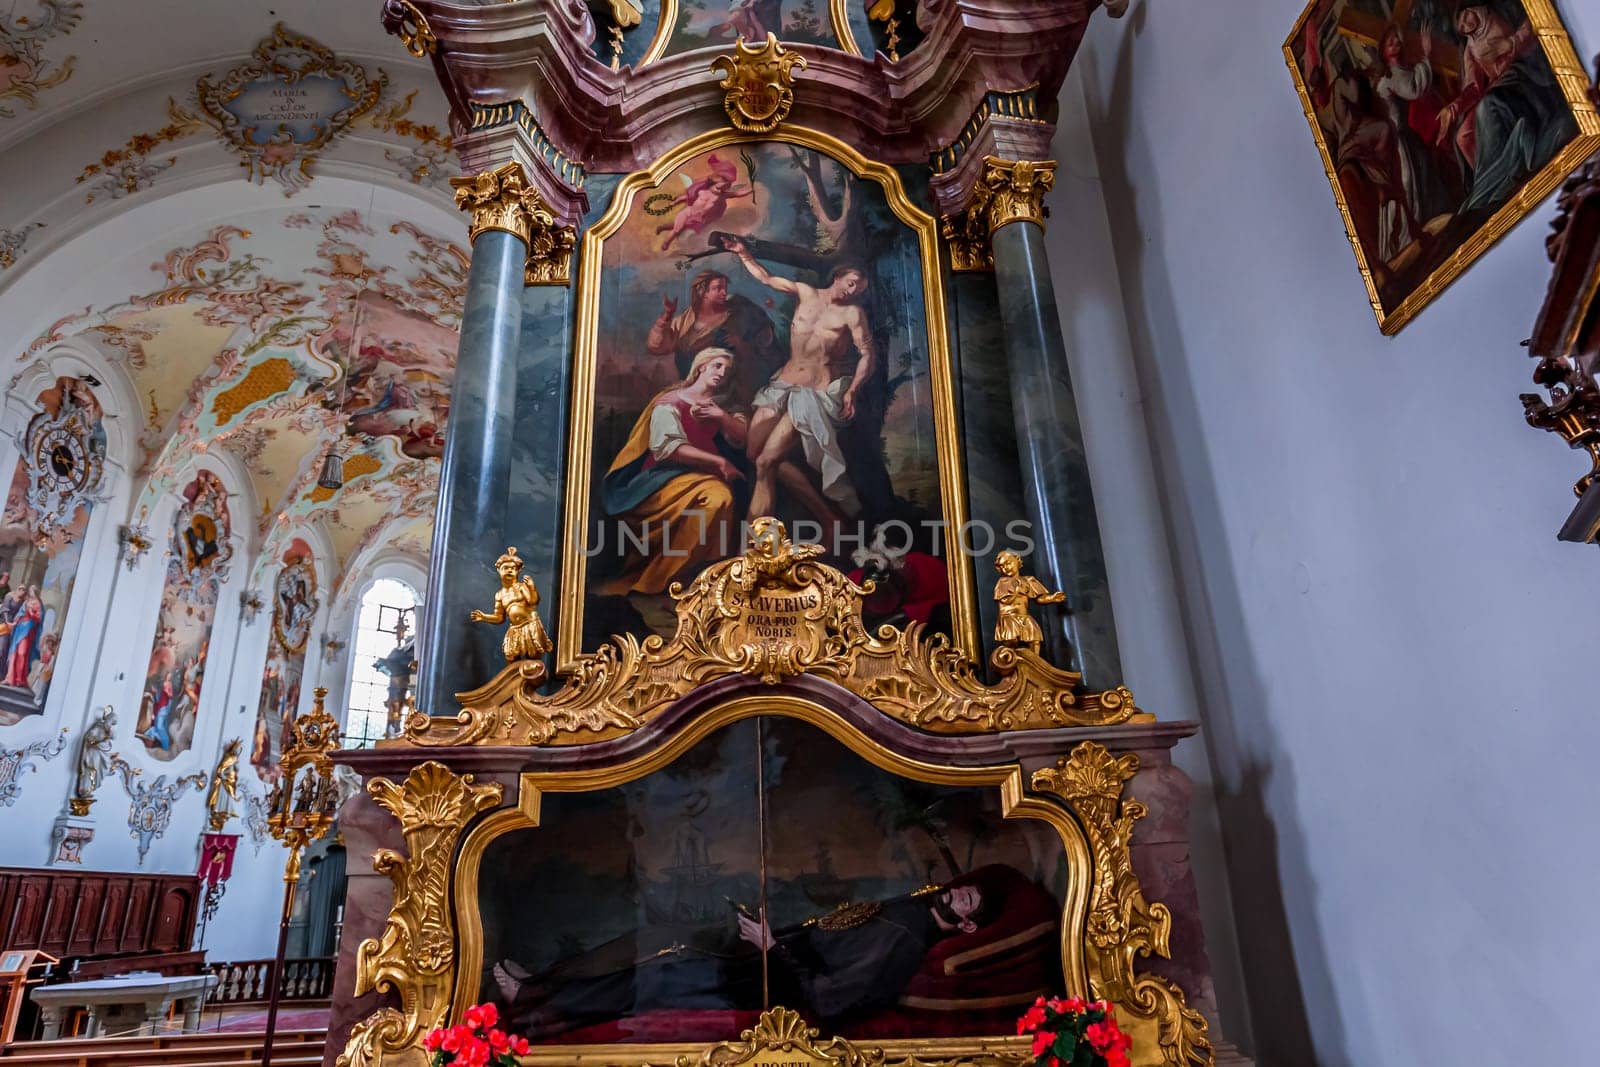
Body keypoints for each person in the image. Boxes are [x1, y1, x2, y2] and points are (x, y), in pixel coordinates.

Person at [493, 869, 1007, 1038]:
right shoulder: (911, 908)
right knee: (651, 940)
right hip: (761, 954)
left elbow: (829, 1002)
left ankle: (532, 1015)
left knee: (652, 976)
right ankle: (540, 984)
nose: (960, 894)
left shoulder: (905, 942)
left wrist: (772, 946)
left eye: (969, 902)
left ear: (965, 923)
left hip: (763, 981)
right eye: (964, 889)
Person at [723, 237, 876, 523]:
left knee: (767, 462)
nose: (853, 290)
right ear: (839, 276)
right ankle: (829, 520)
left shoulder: (852, 314)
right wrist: (743, 254)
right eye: (851, 282)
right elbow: (767, 279)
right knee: (754, 454)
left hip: (812, 394)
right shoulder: (805, 293)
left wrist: (852, 391)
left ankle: (755, 546)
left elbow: (867, 355)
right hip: (781, 385)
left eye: (859, 288)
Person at [598, 348, 748, 602]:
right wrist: (719, 461)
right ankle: (657, 581)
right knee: (717, 498)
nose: (722, 373)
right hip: (663, 477)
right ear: (701, 367)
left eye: (727, 370)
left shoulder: (723, 406)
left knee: (726, 496)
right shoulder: (671, 401)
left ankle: (694, 575)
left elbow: (745, 437)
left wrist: (721, 417)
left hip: (703, 477)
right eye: (717, 366)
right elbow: (668, 449)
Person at [1435, 2, 1576, 214]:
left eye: (1464, 17)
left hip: (1522, 68)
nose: (1465, 25)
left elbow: (1532, 23)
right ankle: (1493, 182)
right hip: (1498, 84)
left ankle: (1510, 166)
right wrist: (1452, 109)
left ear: (1471, 7)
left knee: (1487, 107)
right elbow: (1473, 87)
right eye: (1460, 27)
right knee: (1463, 136)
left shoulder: (1499, 11)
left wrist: (1510, 44)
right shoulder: (1470, 47)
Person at [646, 269, 781, 409]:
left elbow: (763, 340)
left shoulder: (737, 313)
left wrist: (741, 344)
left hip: (728, 392)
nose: (724, 292)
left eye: (725, 288)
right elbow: (657, 347)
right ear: (702, 292)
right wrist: (667, 316)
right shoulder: (686, 320)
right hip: (690, 388)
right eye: (718, 288)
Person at [470, 547, 554, 663]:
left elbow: (533, 601)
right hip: (514, 629)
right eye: (505, 568)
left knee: (533, 656)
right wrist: (484, 617)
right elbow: (499, 617)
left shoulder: (521, 587)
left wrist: (531, 587)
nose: (509, 571)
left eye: (513, 568)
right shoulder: (499, 595)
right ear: (499, 570)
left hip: (529, 625)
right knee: (510, 657)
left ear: (518, 571)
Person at [992, 550, 1065, 656]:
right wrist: (1016, 591)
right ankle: (1010, 660)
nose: (1005, 568)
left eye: (1008, 563)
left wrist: (1052, 598)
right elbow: (1004, 600)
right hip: (1008, 618)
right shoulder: (1002, 583)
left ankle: (1035, 661)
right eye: (1002, 566)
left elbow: (1039, 598)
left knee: (1034, 638)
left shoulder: (1029, 580)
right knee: (1011, 641)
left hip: (1024, 617)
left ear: (1017, 561)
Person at [4, 586, 43, 687]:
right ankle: (10, 678)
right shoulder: (26, 602)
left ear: (35, 592)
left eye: (31, 591)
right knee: (14, 653)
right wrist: (14, 623)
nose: (30, 592)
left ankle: (19, 679)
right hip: (20, 629)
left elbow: (39, 618)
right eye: (29, 591)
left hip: (28, 630)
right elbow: (19, 614)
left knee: (22, 653)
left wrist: (31, 613)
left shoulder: (38, 603)